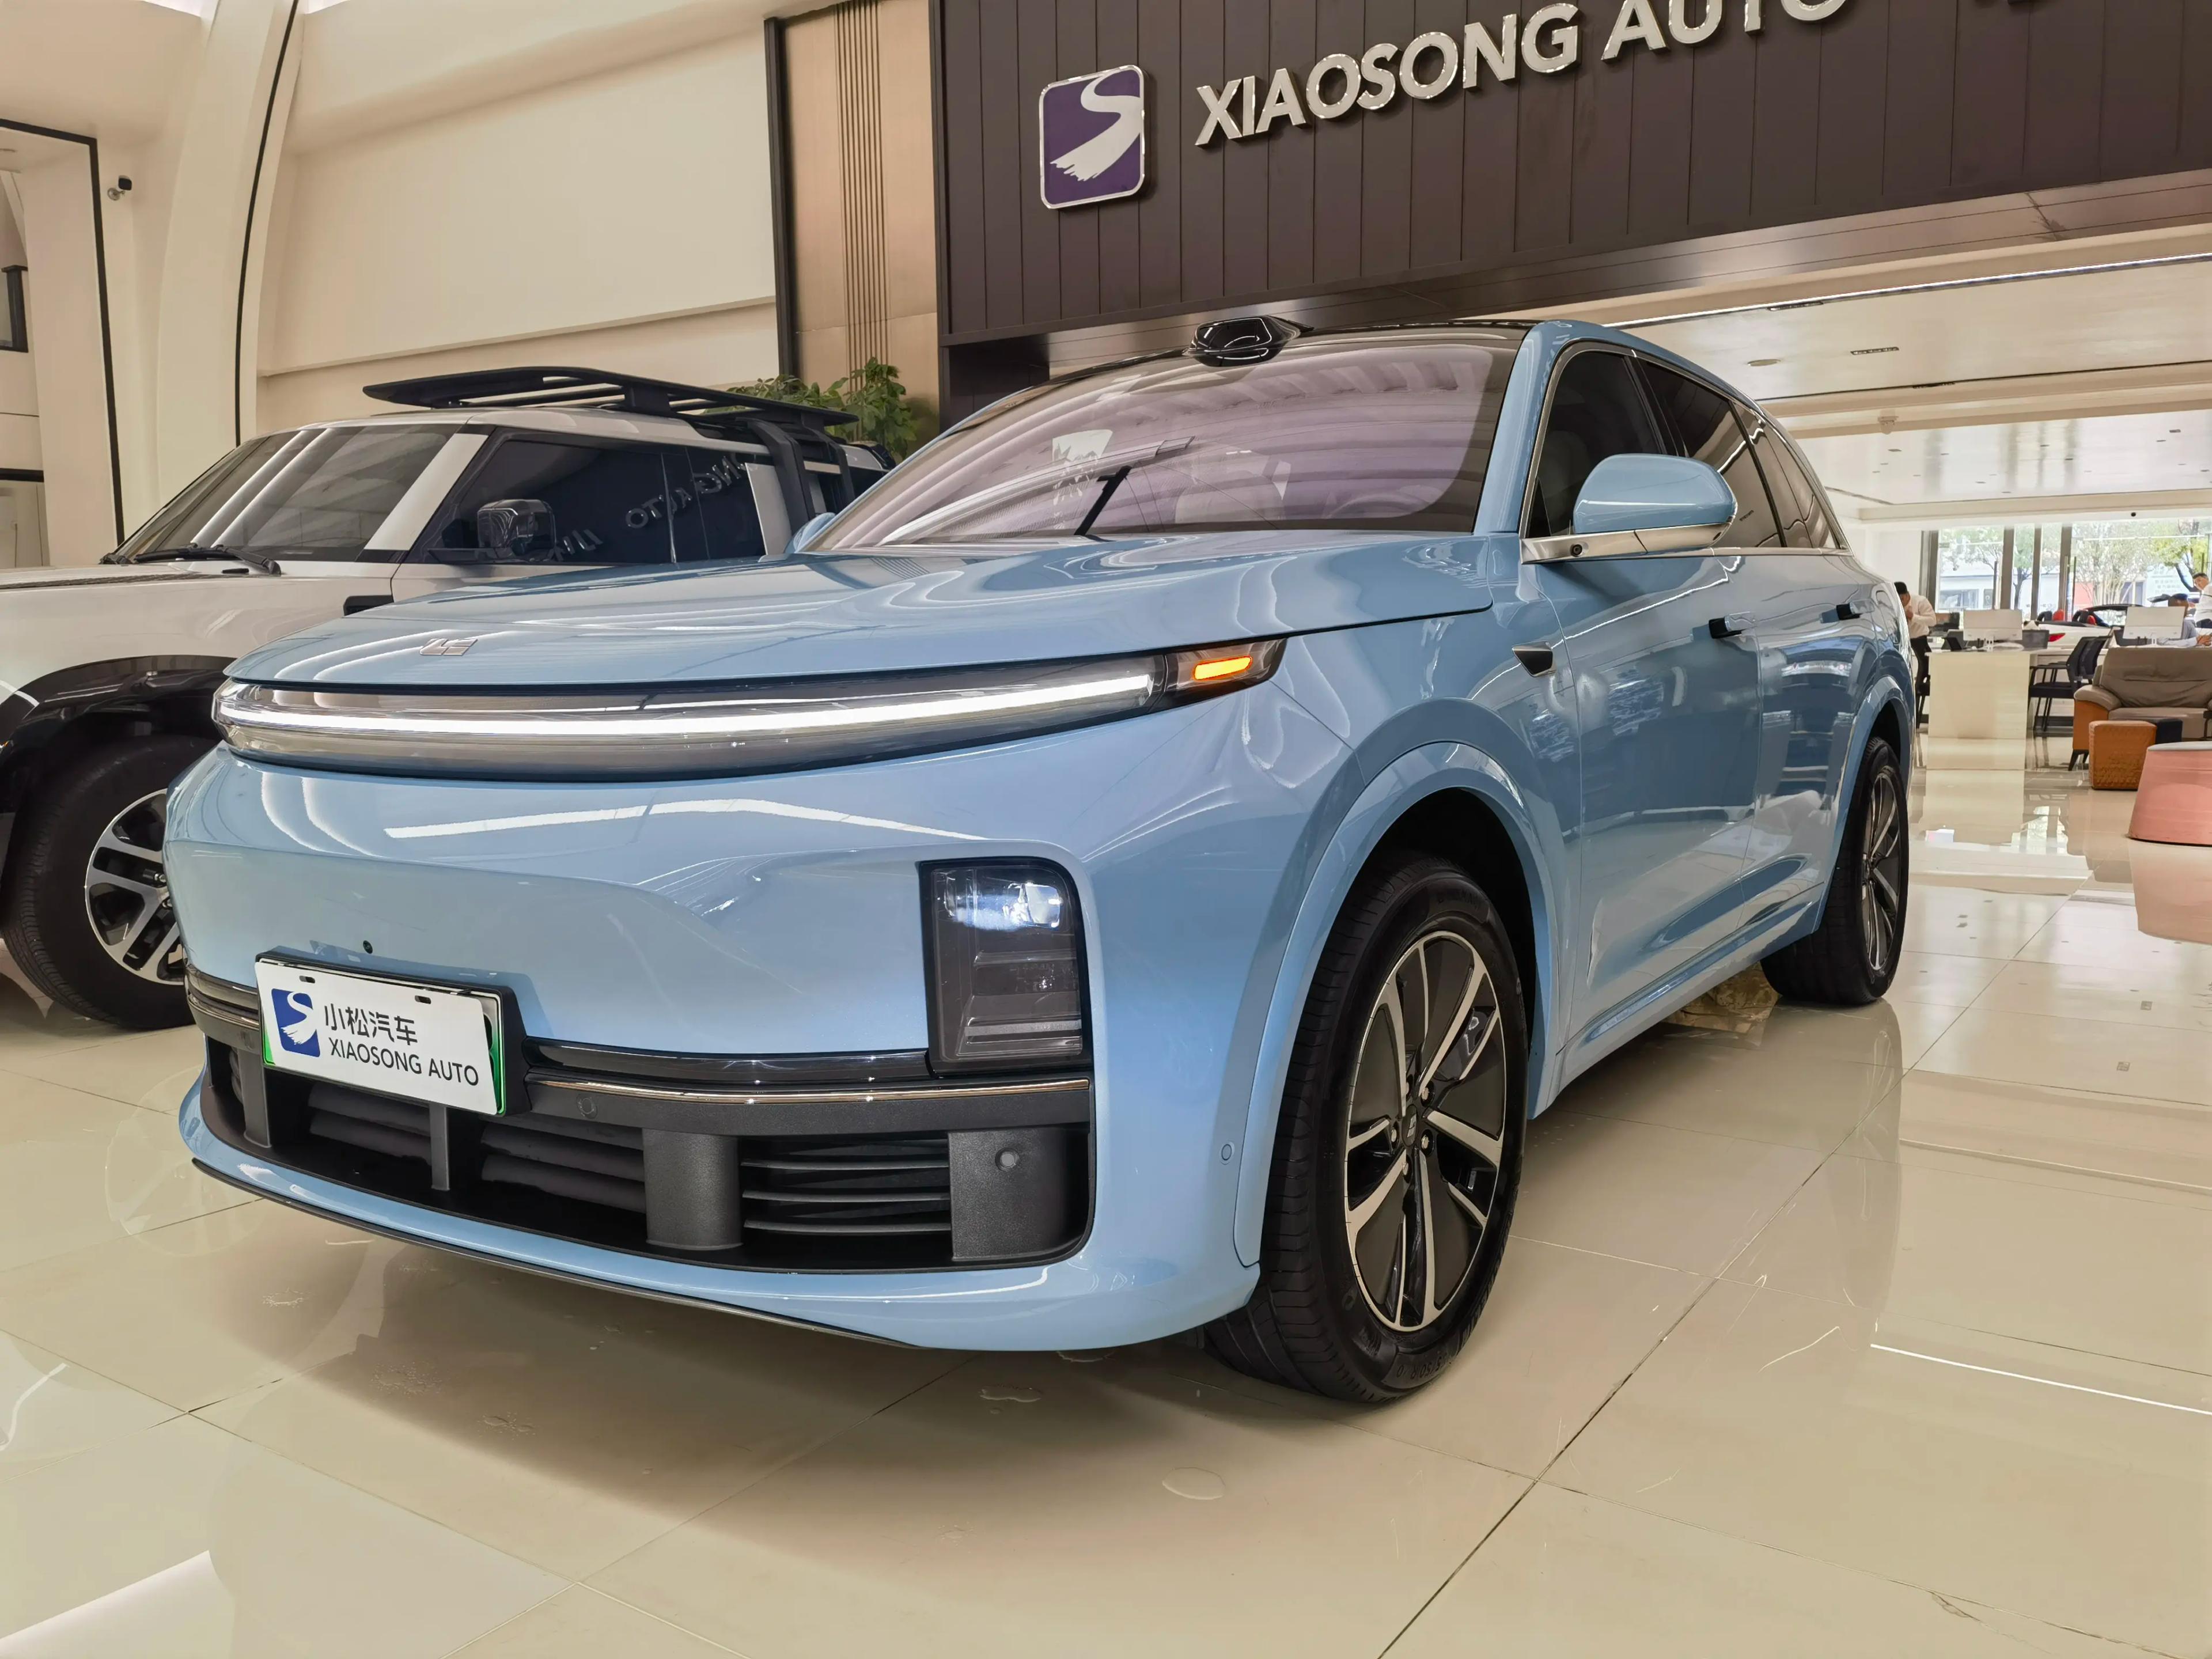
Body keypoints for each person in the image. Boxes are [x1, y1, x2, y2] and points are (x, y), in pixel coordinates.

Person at [1896, 581, 1934, 705]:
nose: (1901, 602)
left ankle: (1918, 692)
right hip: (1903, 639)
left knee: (1927, 666)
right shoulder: (1895, 604)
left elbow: (1932, 621)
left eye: (1902, 599)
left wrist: (1913, 617)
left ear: (1907, 595)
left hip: (1919, 638)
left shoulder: (1920, 601)